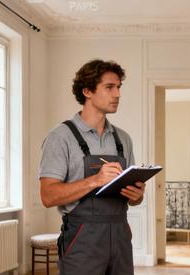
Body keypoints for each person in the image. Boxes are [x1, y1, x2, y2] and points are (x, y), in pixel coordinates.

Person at [38, 59, 146, 274]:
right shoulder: (60, 137)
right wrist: (95, 180)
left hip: (120, 235)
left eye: (119, 87)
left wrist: (137, 195)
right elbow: (48, 196)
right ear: (87, 91)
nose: (117, 94)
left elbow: (136, 200)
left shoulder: (123, 138)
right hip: (82, 238)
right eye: (109, 87)